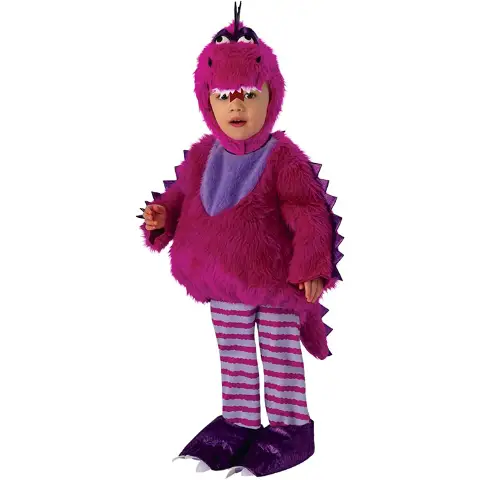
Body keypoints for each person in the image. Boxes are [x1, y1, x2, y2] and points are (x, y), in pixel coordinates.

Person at [138, 2, 343, 477]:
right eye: (224, 95)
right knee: (234, 355)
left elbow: (308, 210)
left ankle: (290, 427)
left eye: (249, 94)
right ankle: (240, 421)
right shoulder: (202, 155)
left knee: (278, 351)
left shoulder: (283, 157)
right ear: (206, 101)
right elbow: (179, 196)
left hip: (275, 283)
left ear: (271, 95)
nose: (236, 106)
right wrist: (160, 217)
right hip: (223, 283)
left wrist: (313, 266)